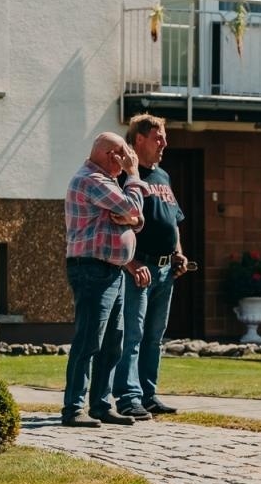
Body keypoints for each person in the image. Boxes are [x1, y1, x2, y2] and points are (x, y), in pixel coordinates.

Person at [63, 133, 152, 427]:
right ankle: (73, 408)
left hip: (113, 269)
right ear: (110, 155)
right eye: (124, 153)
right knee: (89, 339)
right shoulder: (91, 180)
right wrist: (134, 174)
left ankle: (101, 405)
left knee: (113, 342)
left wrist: (132, 218)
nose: (129, 158)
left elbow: (136, 219)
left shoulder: (109, 182)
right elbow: (133, 209)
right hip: (92, 269)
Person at [112, 115, 186, 419]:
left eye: (164, 138)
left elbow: (173, 220)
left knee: (154, 336)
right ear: (139, 139)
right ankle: (128, 397)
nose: (164, 143)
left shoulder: (163, 176)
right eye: (158, 138)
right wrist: (131, 262)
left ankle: (148, 394)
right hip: (138, 268)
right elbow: (114, 222)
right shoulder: (124, 176)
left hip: (166, 270)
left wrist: (179, 253)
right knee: (133, 334)